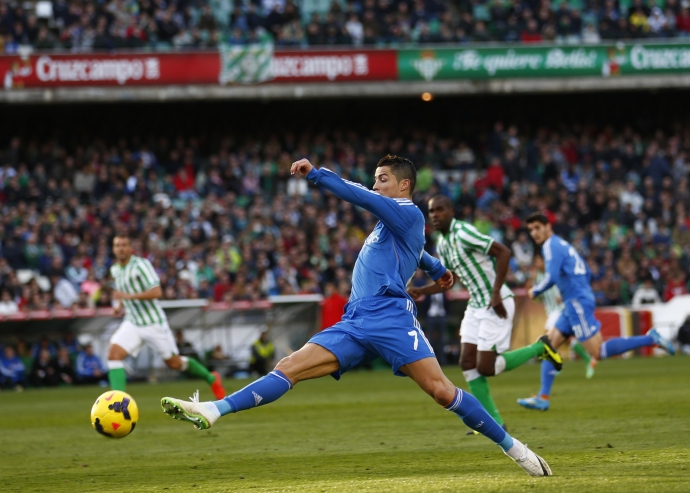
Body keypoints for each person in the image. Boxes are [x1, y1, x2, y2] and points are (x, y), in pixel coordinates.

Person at [161, 155, 552, 477]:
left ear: (404, 185)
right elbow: (415, 251)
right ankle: (212, 410)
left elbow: (362, 198)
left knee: (442, 391)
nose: (376, 185)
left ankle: (515, 448)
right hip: (355, 321)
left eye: (383, 179)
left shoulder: (407, 212)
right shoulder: (391, 226)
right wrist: (436, 269)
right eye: (375, 179)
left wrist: (316, 174)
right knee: (289, 366)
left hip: (391, 317)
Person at [407, 195, 562, 431]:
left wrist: (496, 293)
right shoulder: (443, 241)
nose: (436, 215)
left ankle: (540, 347)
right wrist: (423, 291)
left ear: (451, 211)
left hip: (496, 302)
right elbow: (451, 278)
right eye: (432, 211)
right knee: (467, 363)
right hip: (477, 305)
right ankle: (494, 422)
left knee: (486, 367)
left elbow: (503, 252)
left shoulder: (464, 233)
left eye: (440, 210)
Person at [518, 213, 675, 411]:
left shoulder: (550, 246)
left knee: (597, 352)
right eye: (531, 230)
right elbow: (586, 270)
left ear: (548, 226)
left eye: (537, 228)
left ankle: (650, 339)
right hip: (574, 301)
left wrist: (535, 291)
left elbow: (551, 277)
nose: (534, 233)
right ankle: (543, 397)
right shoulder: (563, 244)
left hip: (576, 302)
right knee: (548, 345)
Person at [106, 235, 226, 399]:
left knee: (174, 363)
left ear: (130, 248)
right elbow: (123, 292)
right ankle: (119, 403)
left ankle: (211, 378)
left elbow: (157, 292)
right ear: (113, 249)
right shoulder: (115, 270)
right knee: (113, 355)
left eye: (124, 245)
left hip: (153, 322)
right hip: (132, 322)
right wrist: (119, 305)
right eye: (117, 245)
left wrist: (128, 296)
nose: (120, 248)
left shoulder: (141, 265)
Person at [531, 254, 596, 379]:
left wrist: (562, 296)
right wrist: (532, 279)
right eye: (536, 262)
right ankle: (587, 359)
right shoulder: (538, 277)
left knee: (548, 338)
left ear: (544, 261)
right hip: (551, 311)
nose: (537, 264)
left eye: (538, 261)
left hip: (559, 310)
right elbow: (534, 295)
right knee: (566, 340)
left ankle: (555, 365)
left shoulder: (552, 273)